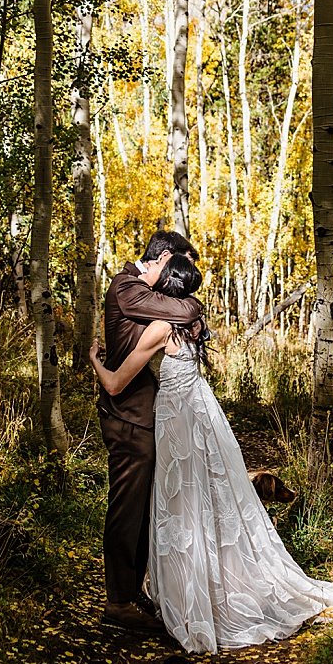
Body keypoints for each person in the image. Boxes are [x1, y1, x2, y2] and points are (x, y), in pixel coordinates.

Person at [91, 254, 333, 652]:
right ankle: (210, 583)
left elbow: (115, 385)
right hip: (202, 414)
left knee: (180, 504)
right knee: (210, 498)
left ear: (166, 288)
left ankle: (186, 594)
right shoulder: (191, 324)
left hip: (176, 422)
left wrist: (95, 360)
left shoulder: (162, 327)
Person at [98, 230, 204, 632]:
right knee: (126, 510)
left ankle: (131, 590)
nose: (182, 273)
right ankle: (117, 603)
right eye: (180, 265)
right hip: (126, 418)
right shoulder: (127, 287)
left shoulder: (142, 292)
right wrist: (192, 300)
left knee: (143, 509)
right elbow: (186, 311)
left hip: (141, 415)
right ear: (162, 259)